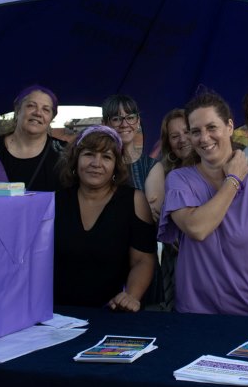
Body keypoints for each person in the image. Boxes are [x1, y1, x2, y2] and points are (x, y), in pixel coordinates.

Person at [158, 92, 248, 316]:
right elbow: (197, 228)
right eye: (196, 131)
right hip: (195, 315)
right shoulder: (180, 180)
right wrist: (233, 180)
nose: (204, 138)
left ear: (230, 127)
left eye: (212, 127)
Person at [54, 125, 156, 309]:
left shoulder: (135, 201)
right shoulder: (55, 202)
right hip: (59, 315)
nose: (96, 163)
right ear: (75, 160)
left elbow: (143, 260)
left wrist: (130, 297)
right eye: (89, 154)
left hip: (112, 312)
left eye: (106, 157)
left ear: (116, 166)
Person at [142, 109, 194, 311]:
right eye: (175, 136)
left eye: (187, 131)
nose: (182, 139)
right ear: (168, 143)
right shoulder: (163, 173)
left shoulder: (214, 169)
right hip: (176, 258)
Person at [0, 85, 67, 191]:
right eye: (31, 106)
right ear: (17, 110)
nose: (38, 113)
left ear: (52, 117)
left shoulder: (66, 154)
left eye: (46, 110)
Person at [101, 94, 154, 192]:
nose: (124, 125)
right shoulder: (98, 166)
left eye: (130, 118)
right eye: (116, 119)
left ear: (138, 121)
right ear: (104, 124)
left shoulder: (151, 166)